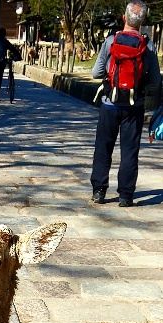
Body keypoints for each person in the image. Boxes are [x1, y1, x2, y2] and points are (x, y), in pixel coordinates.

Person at [90, 0, 161, 207]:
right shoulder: (148, 45)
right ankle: (126, 195)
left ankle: (99, 191)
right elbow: (155, 80)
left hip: (109, 103)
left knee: (103, 147)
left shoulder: (111, 41)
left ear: (124, 18)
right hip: (134, 106)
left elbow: (96, 73)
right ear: (143, 21)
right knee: (129, 151)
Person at [0, 27, 21, 101]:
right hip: (0, 61)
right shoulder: (5, 42)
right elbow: (13, 49)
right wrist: (19, 56)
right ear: (4, 34)